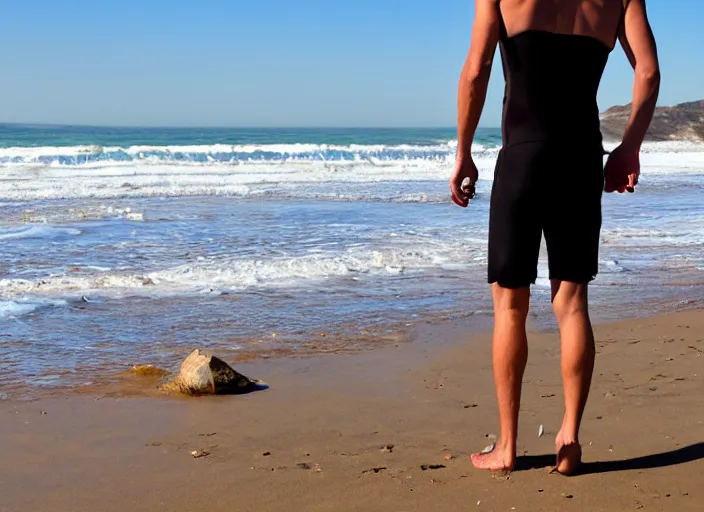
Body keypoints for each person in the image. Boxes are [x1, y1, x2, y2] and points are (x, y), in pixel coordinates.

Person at [450, 0, 660, 475]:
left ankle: (508, 447)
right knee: (572, 303)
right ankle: (569, 439)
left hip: (523, 156)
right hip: (580, 158)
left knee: (509, 304)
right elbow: (647, 72)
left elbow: (476, 69)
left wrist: (463, 151)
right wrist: (628, 148)